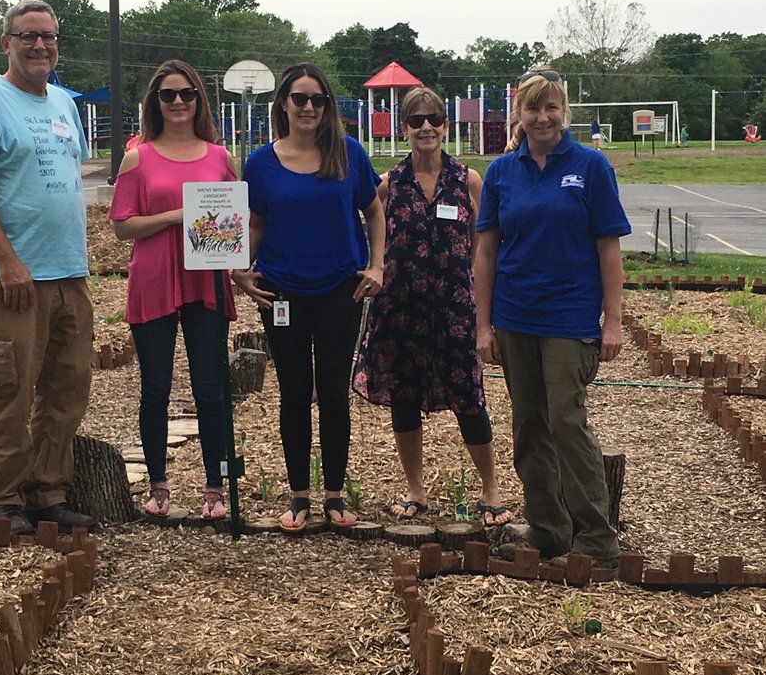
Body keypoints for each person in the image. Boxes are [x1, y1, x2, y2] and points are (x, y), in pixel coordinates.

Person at [474, 68, 631, 565]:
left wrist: (613, 321)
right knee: (529, 427)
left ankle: (597, 542)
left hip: (570, 318)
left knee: (567, 422)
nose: (542, 117)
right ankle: (548, 528)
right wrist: (483, 324)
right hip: (515, 316)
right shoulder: (502, 172)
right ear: (518, 113)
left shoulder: (590, 166)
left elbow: (609, 249)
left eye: (551, 107)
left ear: (565, 112)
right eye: (532, 108)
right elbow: (486, 252)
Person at [0, 0, 95, 536]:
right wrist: (8, 262)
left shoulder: (62, 103)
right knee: (10, 392)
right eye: (28, 36)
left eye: (49, 37)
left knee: (66, 389)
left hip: (68, 275)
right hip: (11, 279)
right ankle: (3, 503)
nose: (40, 46)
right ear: (6, 42)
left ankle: (47, 494)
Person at [233, 63, 385, 531]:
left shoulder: (349, 154)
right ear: (283, 103)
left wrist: (378, 265)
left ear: (327, 107)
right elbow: (255, 223)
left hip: (341, 288)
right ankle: (299, 494)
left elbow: (374, 210)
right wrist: (240, 270)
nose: (308, 108)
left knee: (335, 392)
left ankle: (335, 495)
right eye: (299, 99)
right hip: (282, 291)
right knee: (295, 393)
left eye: (317, 100)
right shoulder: (260, 162)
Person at [353, 86, 510, 526]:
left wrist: (486, 314)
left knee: (469, 398)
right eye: (416, 119)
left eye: (434, 119)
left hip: (455, 311)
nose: (426, 127)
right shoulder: (388, 185)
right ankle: (415, 490)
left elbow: (484, 250)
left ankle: (491, 488)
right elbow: (367, 235)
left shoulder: (468, 180)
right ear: (404, 128)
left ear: (446, 125)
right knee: (404, 400)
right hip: (399, 311)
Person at [108, 60, 237, 520]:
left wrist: (239, 269)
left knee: (211, 389)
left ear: (199, 99)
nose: (178, 101)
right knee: (155, 388)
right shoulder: (138, 158)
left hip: (207, 280)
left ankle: (215, 487)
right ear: (154, 103)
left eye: (187, 93)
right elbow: (122, 226)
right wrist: (175, 217)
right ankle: (159, 484)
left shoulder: (220, 157)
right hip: (155, 278)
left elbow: (231, 223)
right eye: (168, 95)